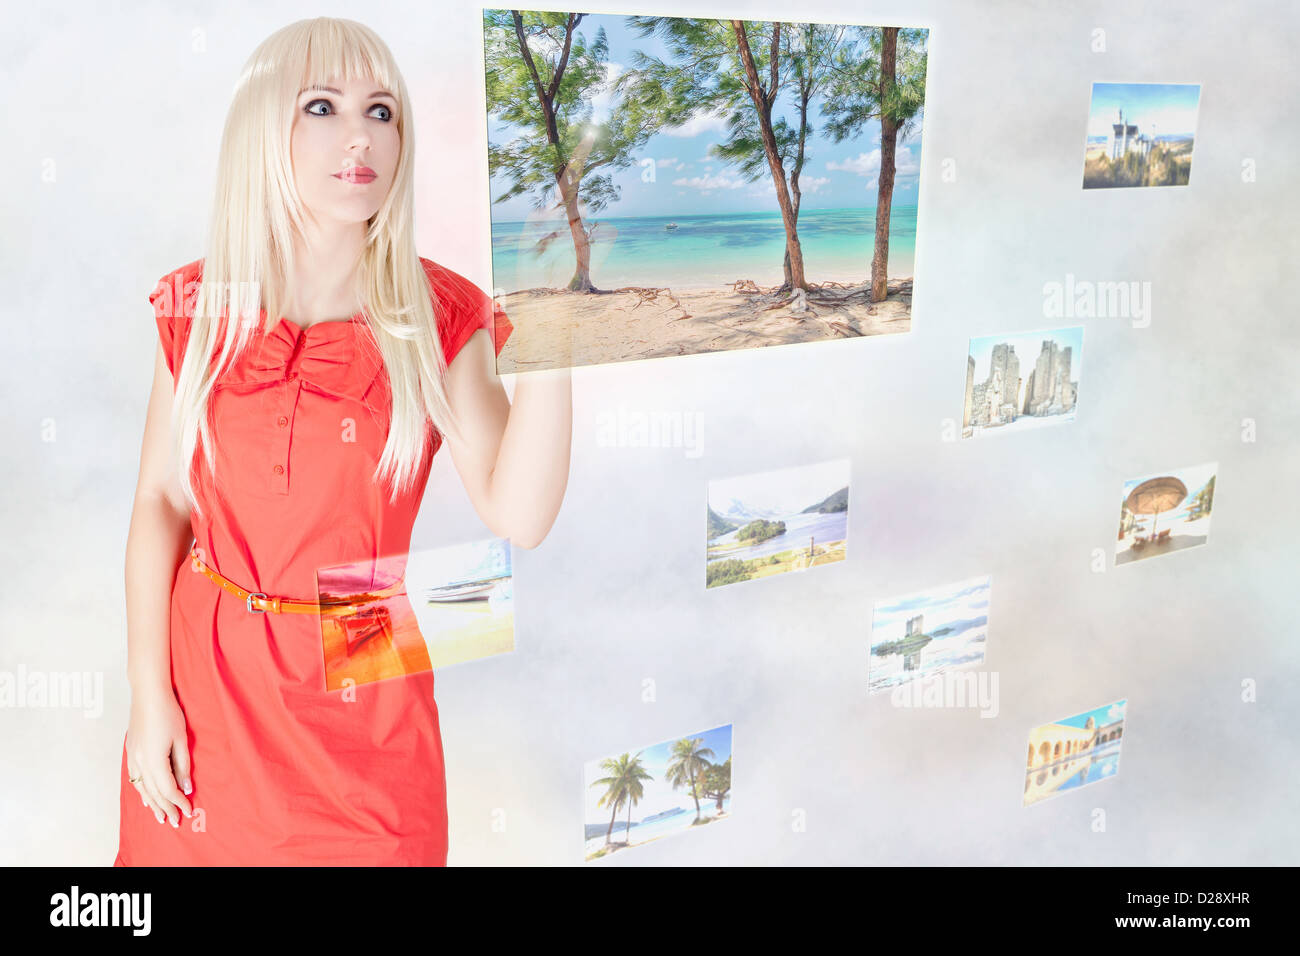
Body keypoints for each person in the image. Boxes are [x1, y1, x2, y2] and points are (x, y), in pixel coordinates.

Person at [116, 17, 572, 865]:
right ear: (263, 130)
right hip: (206, 680)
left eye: (383, 111)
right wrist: (150, 697)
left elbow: (521, 513)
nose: (360, 135)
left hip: (366, 689)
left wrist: (561, 330)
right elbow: (162, 500)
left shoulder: (441, 315)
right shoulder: (197, 305)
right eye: (321, 106)